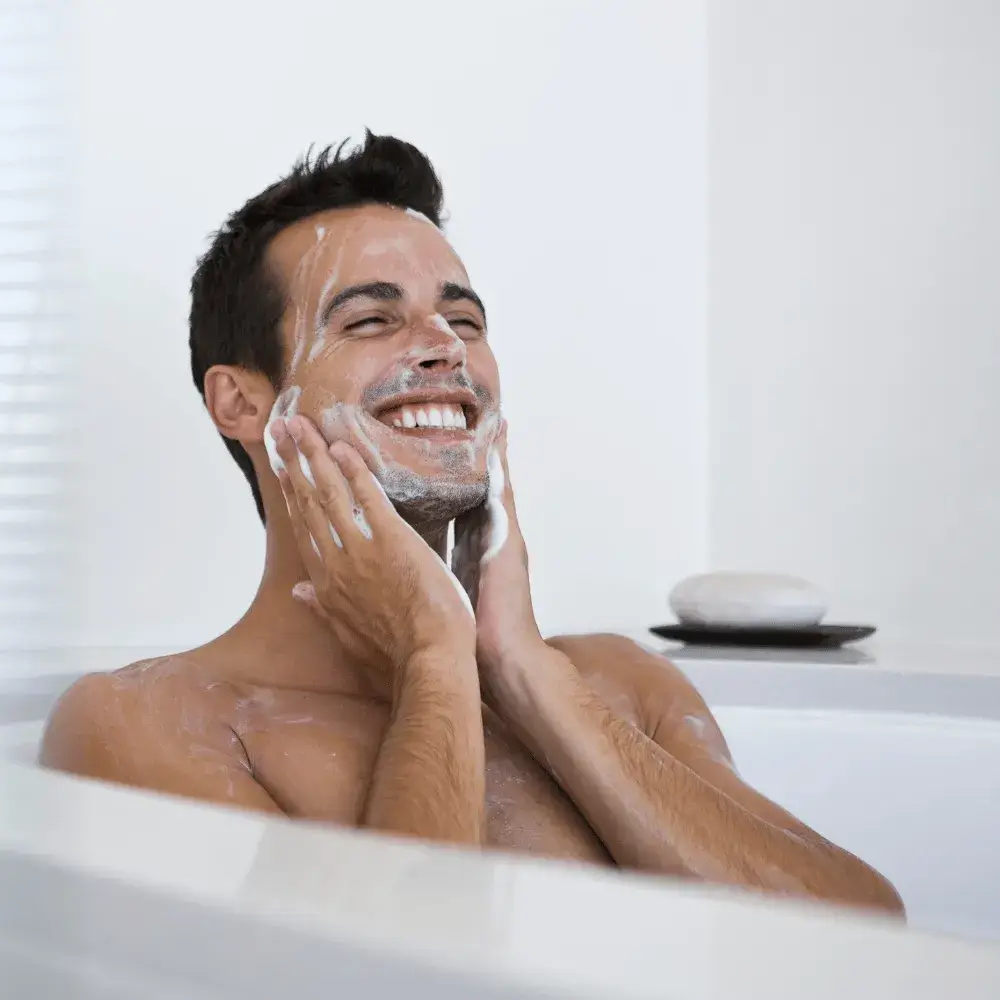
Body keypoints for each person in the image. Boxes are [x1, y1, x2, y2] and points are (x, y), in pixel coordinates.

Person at [40, 132, 903, 914]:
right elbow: (385, 984)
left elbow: (870, 946)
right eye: (372, 319)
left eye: (464, 320)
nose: (445, 347)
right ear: (241, 402)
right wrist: (432, 656)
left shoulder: (619, 686)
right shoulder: (146, 723)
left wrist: (522, 667)